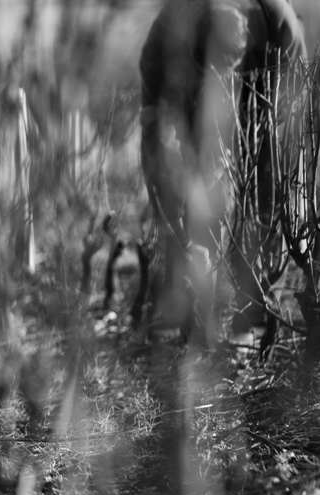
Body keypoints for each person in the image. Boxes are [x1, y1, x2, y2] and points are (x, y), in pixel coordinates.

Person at [138, 0, 307, 343]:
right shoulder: (163, 40)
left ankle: (256, 308)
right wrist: (178, 230)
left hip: (265, 92)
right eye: (211, 70)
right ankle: (182, 305)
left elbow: (288, 139)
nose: (221, 81)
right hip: (188, 98)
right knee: (187, 182)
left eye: (227, 70)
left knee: (266, 181)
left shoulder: (279, 27)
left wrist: (285, 198)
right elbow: (154, 141)